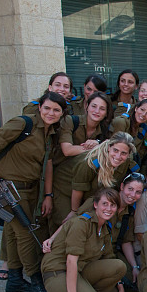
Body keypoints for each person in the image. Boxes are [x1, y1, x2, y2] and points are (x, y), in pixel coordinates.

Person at [0, 91, 64, 292]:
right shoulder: (23, 124)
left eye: (56, 110)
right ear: (39, 107)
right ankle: (35, 280)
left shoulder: (50, 132)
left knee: (14, 231)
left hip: (29, 190)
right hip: (8, 188)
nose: (51, 113)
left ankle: (15, 278)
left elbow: (48, 165)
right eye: (47, 108)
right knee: (26, 233)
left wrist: (48, 194)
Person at [41, 188, 127, 292]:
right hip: (58, 271)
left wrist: (120, 286)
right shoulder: (81, 224)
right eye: (105, 204)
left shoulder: (105, 228)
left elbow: (109, 258)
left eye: (113, 205)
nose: (108, 208)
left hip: (80, 271)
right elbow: (70, 262)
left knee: (119, 268)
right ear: (95, 205)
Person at [52, 91, 113, 231]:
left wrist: (99, 145)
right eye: (94, 106)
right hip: (63, 182)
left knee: (80, 226)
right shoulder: (71, 121)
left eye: (102, 108)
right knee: (62, 223)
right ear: (86, 106)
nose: (97, 111)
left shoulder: (104, 130)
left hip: (83, 185)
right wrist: (98, 148)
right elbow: (67, 150)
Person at [70, 132, 139, 212]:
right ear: (109, 147)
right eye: (115, 150)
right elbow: (78, 189)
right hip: (68, 186)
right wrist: (74, 211)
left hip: (92, 198)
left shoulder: (127, 162)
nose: (118, 156)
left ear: (129, 154)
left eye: (123, 153)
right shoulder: (92, 163)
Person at [110, 99, 147, 164]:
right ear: (136, 108)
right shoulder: (122, 122)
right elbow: (114, 148)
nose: (143, 114)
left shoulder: (142, 129)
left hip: (125, 163)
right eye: (142, 109)